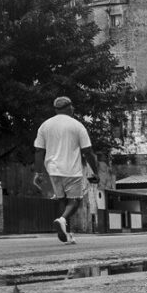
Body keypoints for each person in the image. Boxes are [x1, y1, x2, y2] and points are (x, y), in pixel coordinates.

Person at [33, 96, 99, 244]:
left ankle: (67, 233)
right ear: (69, 108)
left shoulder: (45, 125)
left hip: (53, 170)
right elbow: (88, 151)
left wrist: (38, 173)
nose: (73, 109)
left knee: (62, 200)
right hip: (71, 170)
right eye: (72, 107)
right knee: (75, 200)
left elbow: (38, 150)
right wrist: (95, 171)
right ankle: (62, 220)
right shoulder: (77, 125)